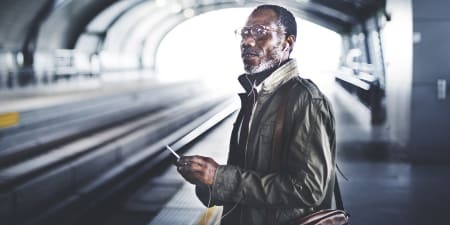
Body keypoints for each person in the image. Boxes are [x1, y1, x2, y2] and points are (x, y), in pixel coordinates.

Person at [177, 4, 336, 225]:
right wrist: (208, 183)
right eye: (244, 33)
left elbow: (309, 189)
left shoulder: (305, 100)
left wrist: (219, 177)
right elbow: (246, 173)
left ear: (287, 43)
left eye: (260, 32)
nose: (247, 41)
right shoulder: (254, 96)